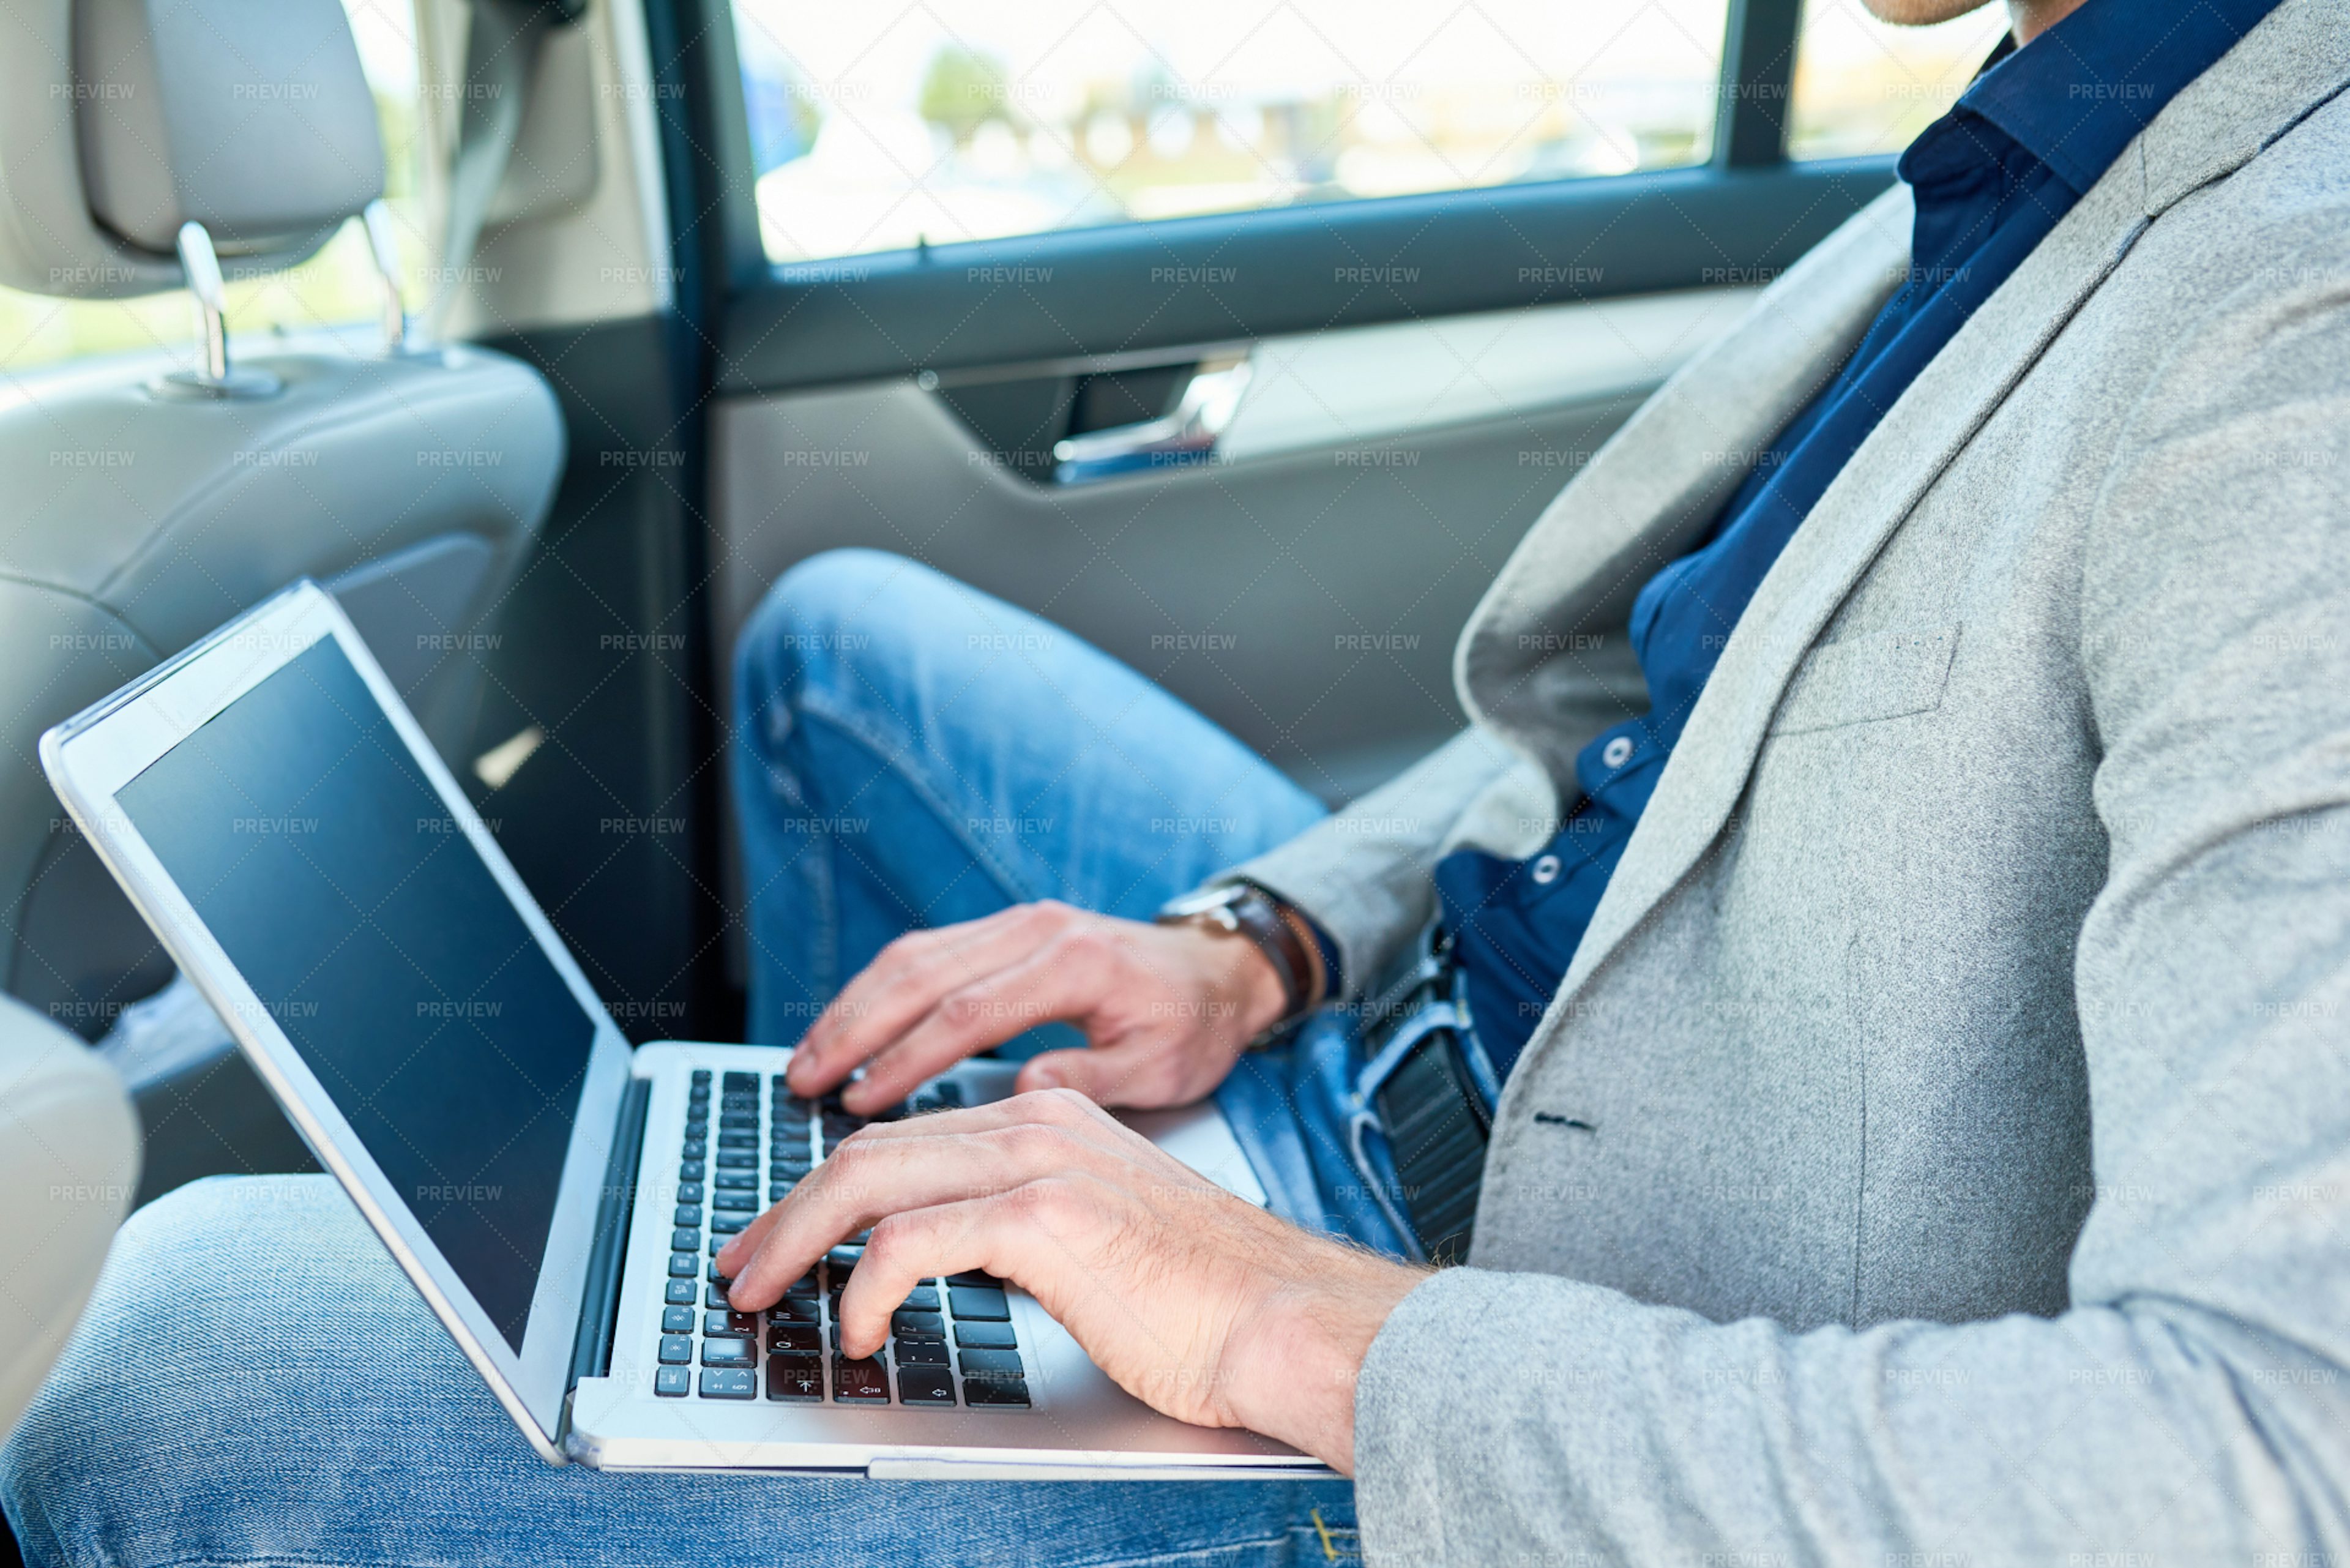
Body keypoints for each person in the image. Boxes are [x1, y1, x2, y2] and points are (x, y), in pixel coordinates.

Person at [10, 0, 2350, 1561]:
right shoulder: (2072, 134)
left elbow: (2266, 1464)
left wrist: (1257, 1317)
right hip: (1422, 1051)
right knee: (848, 667)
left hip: (1518, 1347)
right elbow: (1671, 741)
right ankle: (870, 1382)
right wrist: (1256, 949)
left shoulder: (2295, 323)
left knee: (186, 1356)